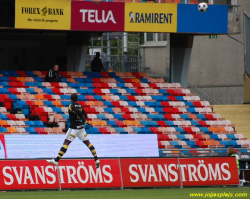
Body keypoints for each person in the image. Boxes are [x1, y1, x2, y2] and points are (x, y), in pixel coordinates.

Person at [47, 93, 100, 168]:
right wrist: (84, 121)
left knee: (66, 142)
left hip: (74, 128)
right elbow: (84, 114)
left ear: (71, 99)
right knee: (88, 143)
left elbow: (79, 113)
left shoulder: (71, 106)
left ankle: (56, 160)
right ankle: (96, 159)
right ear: (77, 99)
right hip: (81, 127)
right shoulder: (80, 106)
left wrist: (84, 119)